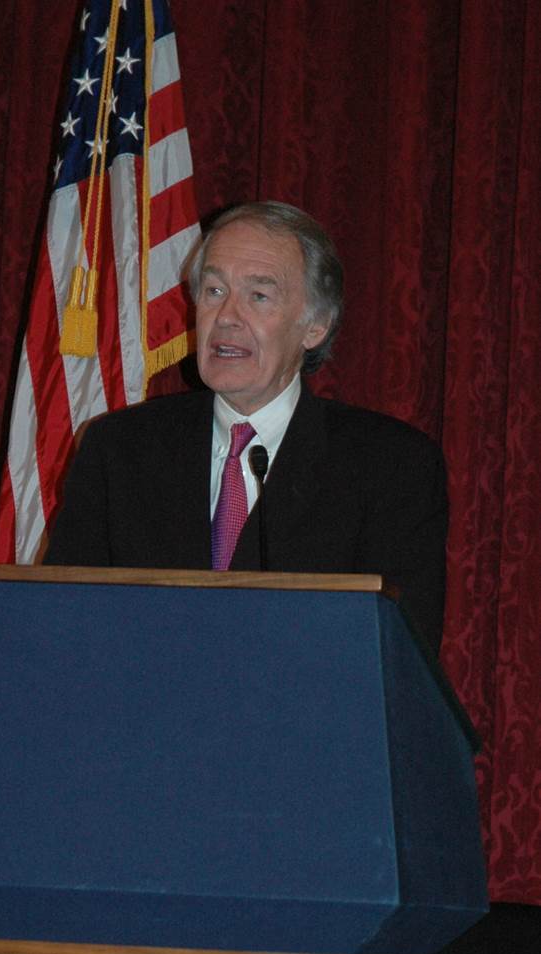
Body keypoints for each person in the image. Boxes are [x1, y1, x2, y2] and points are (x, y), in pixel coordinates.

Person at [43, 201, 448, 651]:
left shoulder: (391, 468)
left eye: (258, 296)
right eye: (214, 291)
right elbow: (62, 628)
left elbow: (396, 658)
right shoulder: (118, 450)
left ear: (315, 325)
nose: (227, 317)